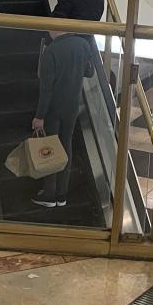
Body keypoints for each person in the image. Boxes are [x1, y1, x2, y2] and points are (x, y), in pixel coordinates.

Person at [31, 29, 94, 208]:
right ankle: (62, 194)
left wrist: (39, 116)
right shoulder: (83, 44)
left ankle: (49, 194)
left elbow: (46, 89)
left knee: (50, 148)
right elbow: (89, 72)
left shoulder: (51, 51)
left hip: (53, 109)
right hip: (73, 106)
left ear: (54, 29)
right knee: (66, 146)